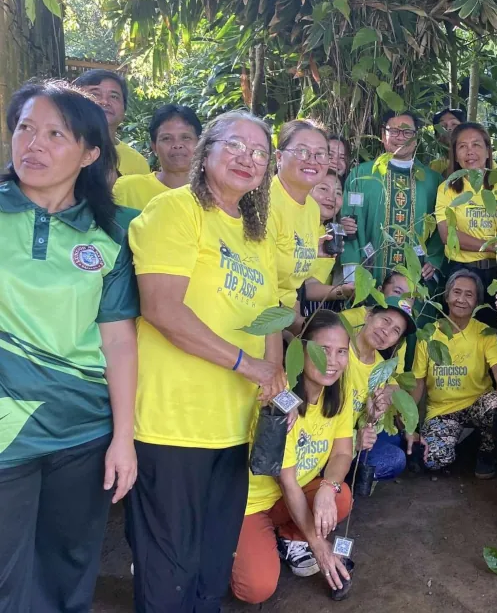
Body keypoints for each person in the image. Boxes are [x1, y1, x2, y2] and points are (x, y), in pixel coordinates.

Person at [125, 110, 286, 612]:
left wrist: (275, 377)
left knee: (212, 565)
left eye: (260, 153)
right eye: (237, 146)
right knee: (169, 568)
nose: (249, 159)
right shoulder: (175, 210)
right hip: (173, 425)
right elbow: (162, 309)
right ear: (206, 150)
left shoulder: (255, 232)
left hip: (233, 426)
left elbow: (272, 315)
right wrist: (250, 366)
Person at [0, 80, 139, 612]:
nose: (33, 144)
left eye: (55, 134)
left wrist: (122, 438)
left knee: (69, 568)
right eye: (25, 129)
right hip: (7, 431)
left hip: (83, 431)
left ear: (90, 152)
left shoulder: (110, 233)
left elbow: (118, 341)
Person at [231, 311, 355, 604]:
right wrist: (321, 547)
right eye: (323, 350)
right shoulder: (281, 399)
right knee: (256, 589)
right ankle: (227, 543)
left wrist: (328, 486)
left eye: (341, 352)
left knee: (340, 496)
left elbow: (342, 451)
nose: (332, 361)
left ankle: (289, 537)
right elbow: (286, 481)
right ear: (301, 348)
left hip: (290, 496)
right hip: (250, 502)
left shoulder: (339, 390)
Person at [410, 270, 497, 477]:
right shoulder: (429, 333)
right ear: (447, 296)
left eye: (469, 294)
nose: (461, 299)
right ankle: (465, 441)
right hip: (442, 410)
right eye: (456, 292)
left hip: (478, 404)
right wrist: (410, 423)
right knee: (433, 460)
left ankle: (487, 452)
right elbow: (418, 382)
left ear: (477, 302)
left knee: (496, 409)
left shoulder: (485, 333)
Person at [436, 122, 497, 356]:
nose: (469, 151)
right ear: (455, 154)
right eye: (462, 146)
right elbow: (447, 234)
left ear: (488, 150)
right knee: (460, 333)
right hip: (461, 270)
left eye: (476, 145)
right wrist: (494, 247)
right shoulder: (448, 188)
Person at [341, 111, 443, 285]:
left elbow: (441, 227)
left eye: (407, 132)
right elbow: (350, 226)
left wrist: (433, 260)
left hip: (417, 277)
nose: (400, 137)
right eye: (394, 131)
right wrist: (352, 272)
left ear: (416, 137)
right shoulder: (361, 175)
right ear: (383, 135)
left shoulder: (432, 180)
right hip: (369, 273)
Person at [340, 296, 418, 482]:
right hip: (321, 439)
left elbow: (364, 424)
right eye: (385, 320)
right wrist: (352, 442)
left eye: (395, 331)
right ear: (368, 316)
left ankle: (341, 477)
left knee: (394, 458)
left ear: (396, 342)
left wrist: (371, 418)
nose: (386, 331)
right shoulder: (338, 350)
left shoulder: (382, 370)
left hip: (347, 442)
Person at [268, 120, 331, 314]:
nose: (312, 160)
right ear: (279, 157)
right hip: (260, 313)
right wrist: (295, 327)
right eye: (301, 151)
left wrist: (312, 249)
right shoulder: (266, 202)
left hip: (288, 310)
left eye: (320, 154)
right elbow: (262, 282)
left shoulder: (312, 207)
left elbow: (292, 284)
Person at [113, 104, 202, 211]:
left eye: (186, 137)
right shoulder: (128, 189)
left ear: (200, 143)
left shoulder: (214, 194)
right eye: (166, 138)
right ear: (154, 147)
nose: (177, 145)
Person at [74, 69, 150, 177]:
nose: (104, 102)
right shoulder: (60, 150)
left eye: (114, 96)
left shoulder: (137, 162)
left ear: (124, 109)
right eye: (95, 94)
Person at [301, 171, 356, 315]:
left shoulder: (329, 235)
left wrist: (342, 291)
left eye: (338, 193)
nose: (331, 198)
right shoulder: (290, 221)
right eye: (323, 189)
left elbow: (309, 286)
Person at [430, 107, 465, 175]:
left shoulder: (477, 160)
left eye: (454, 124)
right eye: (443, 126)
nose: (448, 128)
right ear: (437, 137)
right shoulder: (434, 167)